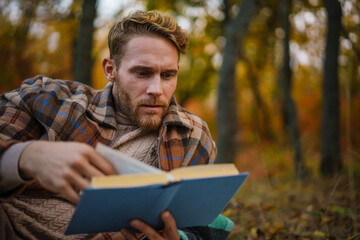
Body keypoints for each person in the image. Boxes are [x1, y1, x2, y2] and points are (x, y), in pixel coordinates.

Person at [0, 10, 233, 240]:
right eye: (142, 73)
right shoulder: (49, 99)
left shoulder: (193, 135)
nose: (157, 89)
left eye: (167, 75)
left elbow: (195, 225)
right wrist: (26, 157)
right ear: (110, 70)